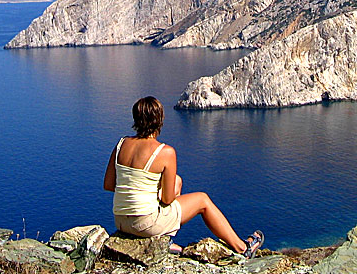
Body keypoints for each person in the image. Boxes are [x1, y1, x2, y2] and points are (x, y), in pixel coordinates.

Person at [103, 96, 264, 257]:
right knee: (202, 200)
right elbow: (167, 200)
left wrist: (142, 192)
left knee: (177, 181)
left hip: (121, 222)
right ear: (159, 119)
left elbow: (109, 185)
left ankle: (165, 241)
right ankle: (243, 248)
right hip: (146, 224)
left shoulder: (121, 144)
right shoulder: (165, 152)